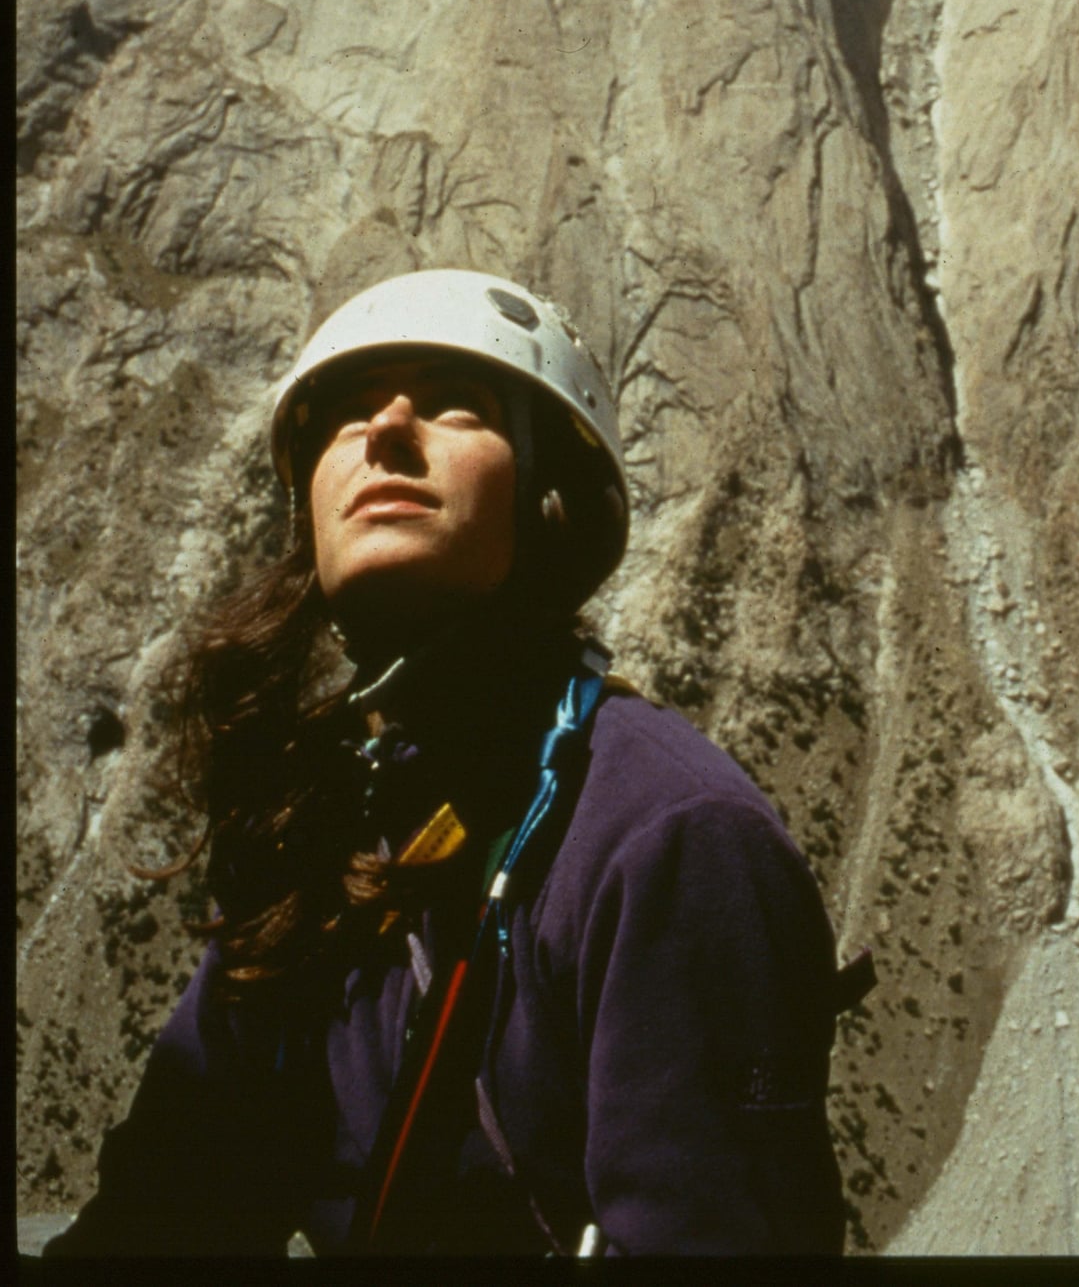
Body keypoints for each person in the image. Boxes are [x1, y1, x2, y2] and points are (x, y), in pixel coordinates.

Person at [44, 269, 856, 1255]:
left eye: (457, 404)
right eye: (346, 414)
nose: (385, 429)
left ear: (551, 498)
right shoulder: (328, 820)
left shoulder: (669, 843)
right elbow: (172, 1203)